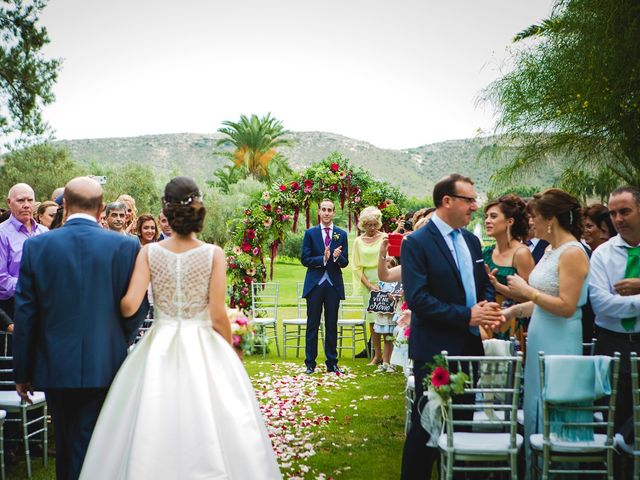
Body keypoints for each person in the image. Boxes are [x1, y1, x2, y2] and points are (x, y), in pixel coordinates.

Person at [79, 176, 282, 479]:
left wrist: (117, 296)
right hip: (204, 345)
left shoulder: (149, 252)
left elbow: (130, 305)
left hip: (158, 343)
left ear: (167, 211)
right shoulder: (213, 254)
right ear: (199, 209)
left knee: (151, 415)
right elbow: (216, 315)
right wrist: (232, 352)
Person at [12, 177, 148, 480]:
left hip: (55, 364)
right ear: (102, 208)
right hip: (107, 361)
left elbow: (26, 313)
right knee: (96, 442)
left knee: (66, 440)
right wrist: (116, 340)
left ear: (65, 205)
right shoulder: (125, 246)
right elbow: (138, 307)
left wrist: (23, 371)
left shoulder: (37, 246)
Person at [400, 173, 501, 480]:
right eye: (469, 200)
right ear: (447, 201)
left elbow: (482, 283)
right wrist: (466, 315)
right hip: (435, 350)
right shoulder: (416, 242)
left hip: (471, 347)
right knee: (427, 425)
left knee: (463, 425)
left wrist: (484, 308)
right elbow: (418, 299)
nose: (474, 207)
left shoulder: (472, 240)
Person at [502, 188, 589, 475]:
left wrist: (527, 291)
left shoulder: (573, 252)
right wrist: (513, 311)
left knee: (555, 404)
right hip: (540, 335)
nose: (531, 224)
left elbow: (566, 306)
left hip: (561, 340)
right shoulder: (551, 250)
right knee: (536, 403)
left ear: (551, 219)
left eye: (535, 217)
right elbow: (543, 302)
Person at [589, 186, 640, 437]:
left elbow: (612, 303)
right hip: (613, 344)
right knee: (615, 419)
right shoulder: (601, 254)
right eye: (613, 213)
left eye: (625, 211)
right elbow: (601, 305)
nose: (618, 219)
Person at [301, 199, 349, 375]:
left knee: (331, 324)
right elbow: (304, 259)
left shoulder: (341, 234)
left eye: (330, 210)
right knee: (312, 324)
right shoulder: (310, 233)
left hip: (333, 286)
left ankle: (332, 363)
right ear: (319, 212)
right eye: (324, 209)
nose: (327, 213)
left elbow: (345, 262)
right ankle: (310, 363)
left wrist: (337, 257)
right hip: (315, 285)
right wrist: (323, 258)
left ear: (334, 212)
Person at [483, 194, 535, 341]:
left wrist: (497, 286)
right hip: (487, 320)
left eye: (493, 216)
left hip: (513, 321)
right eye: (486, 217)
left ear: (509, 221)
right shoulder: (486, 252)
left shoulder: (521, 253)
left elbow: (529, 296)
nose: (487, 221)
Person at [0, 183, 48, 326]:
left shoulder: (44, 232)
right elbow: (2, 280)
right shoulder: (2, 234)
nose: (26, 205)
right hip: (12, 308)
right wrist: (31, 286)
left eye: (30, 200)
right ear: (9, 203)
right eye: (21, 200)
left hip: (43, 306)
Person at [352, 206, 386, 365]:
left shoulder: (385, 237)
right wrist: (369, 285)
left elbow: (391, 260)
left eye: (374, 224)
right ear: (363, 225)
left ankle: (388, 356)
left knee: (386, 319)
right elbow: (356, 267)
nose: (372, 228)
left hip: (385, 281)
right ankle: (377, 354)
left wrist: (384, 282)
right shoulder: (358, 241)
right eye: (368, 225)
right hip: (368, 283)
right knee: (372, 320)